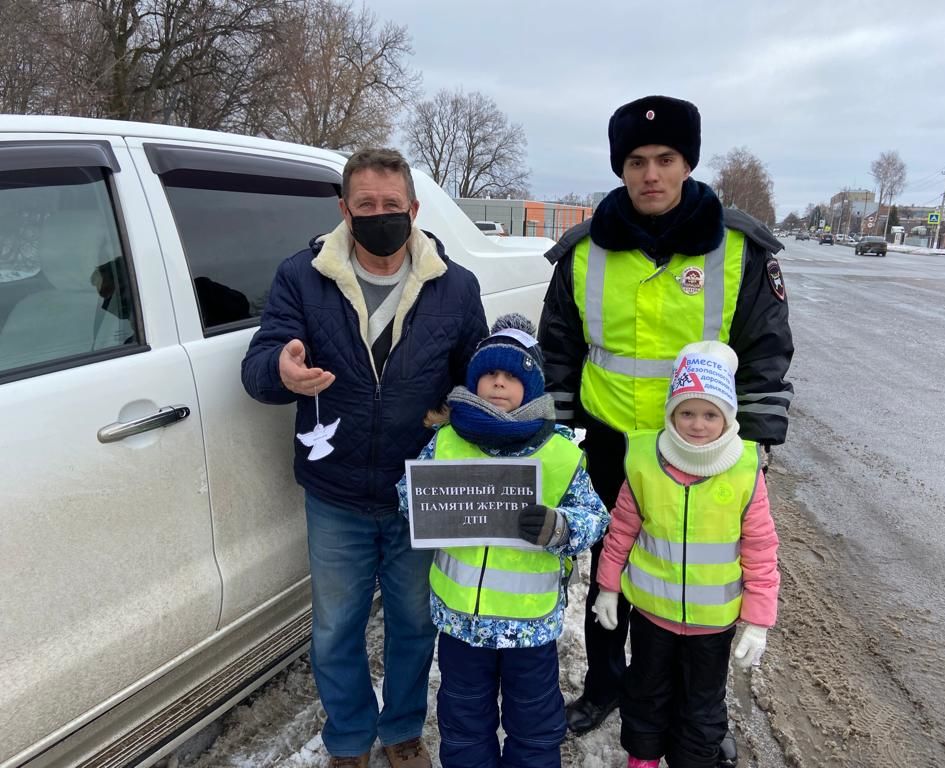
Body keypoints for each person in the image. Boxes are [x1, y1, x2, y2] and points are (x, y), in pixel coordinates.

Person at [538, 95, 793, 758]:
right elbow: (560, 347)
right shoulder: (583, 252)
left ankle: (701, 709)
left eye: (665, 159)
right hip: (611, 438)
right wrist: (560, 434)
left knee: (702, 574)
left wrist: (757, 445)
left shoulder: (738, 249)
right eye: (636, 161)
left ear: (687, 164)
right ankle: (605, 684)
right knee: (609, 565)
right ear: (621, 169)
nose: (651, 173)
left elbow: (765, 348)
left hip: (702, 449)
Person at [241, 148, 488, 768]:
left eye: (391, 205)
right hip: (337, 492)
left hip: (419, 493)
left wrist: (479, 408)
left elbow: (476, 378)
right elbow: (260, 362)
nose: (380, 216)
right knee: (335, 630)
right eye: (366, 205)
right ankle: (348, 739)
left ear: (414, 208)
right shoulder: (303, 276)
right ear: (344, 210)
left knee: (413, 625)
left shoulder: (456, 286)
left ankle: (402, 732)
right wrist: (281, 369)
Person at [397, 313, 609, 768]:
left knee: (534, 725)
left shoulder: (560, 451)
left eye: (511, 376)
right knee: (463, 721)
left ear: (531, 388)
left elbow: (594, 518)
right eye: (489, 374)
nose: (498, 383)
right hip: (461, 625)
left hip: (528, 628)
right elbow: (409, 495)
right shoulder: (448, 441)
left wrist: (560, 527)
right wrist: (418, 504)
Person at [593, 341, 780, 768]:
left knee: (702, 706)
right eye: (687, 412)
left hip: (712, 628)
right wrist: (608, 587)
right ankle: (641, 759)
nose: (697, 425)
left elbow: (761, 550)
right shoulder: (645, 460)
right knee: (644, 692)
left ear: (727, 417)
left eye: (710, 414)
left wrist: (758, 620)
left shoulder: (745, 470)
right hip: (651, 617)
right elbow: (621, 528)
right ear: (671, 413)